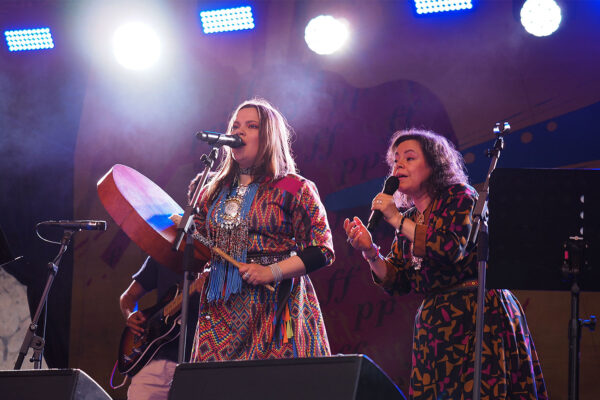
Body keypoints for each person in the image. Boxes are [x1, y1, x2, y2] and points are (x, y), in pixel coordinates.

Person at [344, 129, 548, 399]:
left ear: (434, 164)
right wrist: (370, 251)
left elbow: (449, 248)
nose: (399, 165)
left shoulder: (460, 198)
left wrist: (394, 218)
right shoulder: (409, 216)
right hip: (437, 325)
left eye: (409, 157)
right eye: (395, 160)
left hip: (477, 314)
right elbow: (397, 279)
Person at [188, 98, 334, 362]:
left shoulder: (294, 187)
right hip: (220, 313)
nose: (238, 132)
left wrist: (271, 271)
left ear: (269, 136)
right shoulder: (213, 191)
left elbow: (322, 250)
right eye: (235, 125)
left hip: (277, 306)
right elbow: (196, 244)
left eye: (251, 126)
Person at [119, 256, 200, 400]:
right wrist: (130, 315)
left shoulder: (219, 255)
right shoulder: (163, 251)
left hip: (198, 362)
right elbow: (129, 295)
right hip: (154, 358)